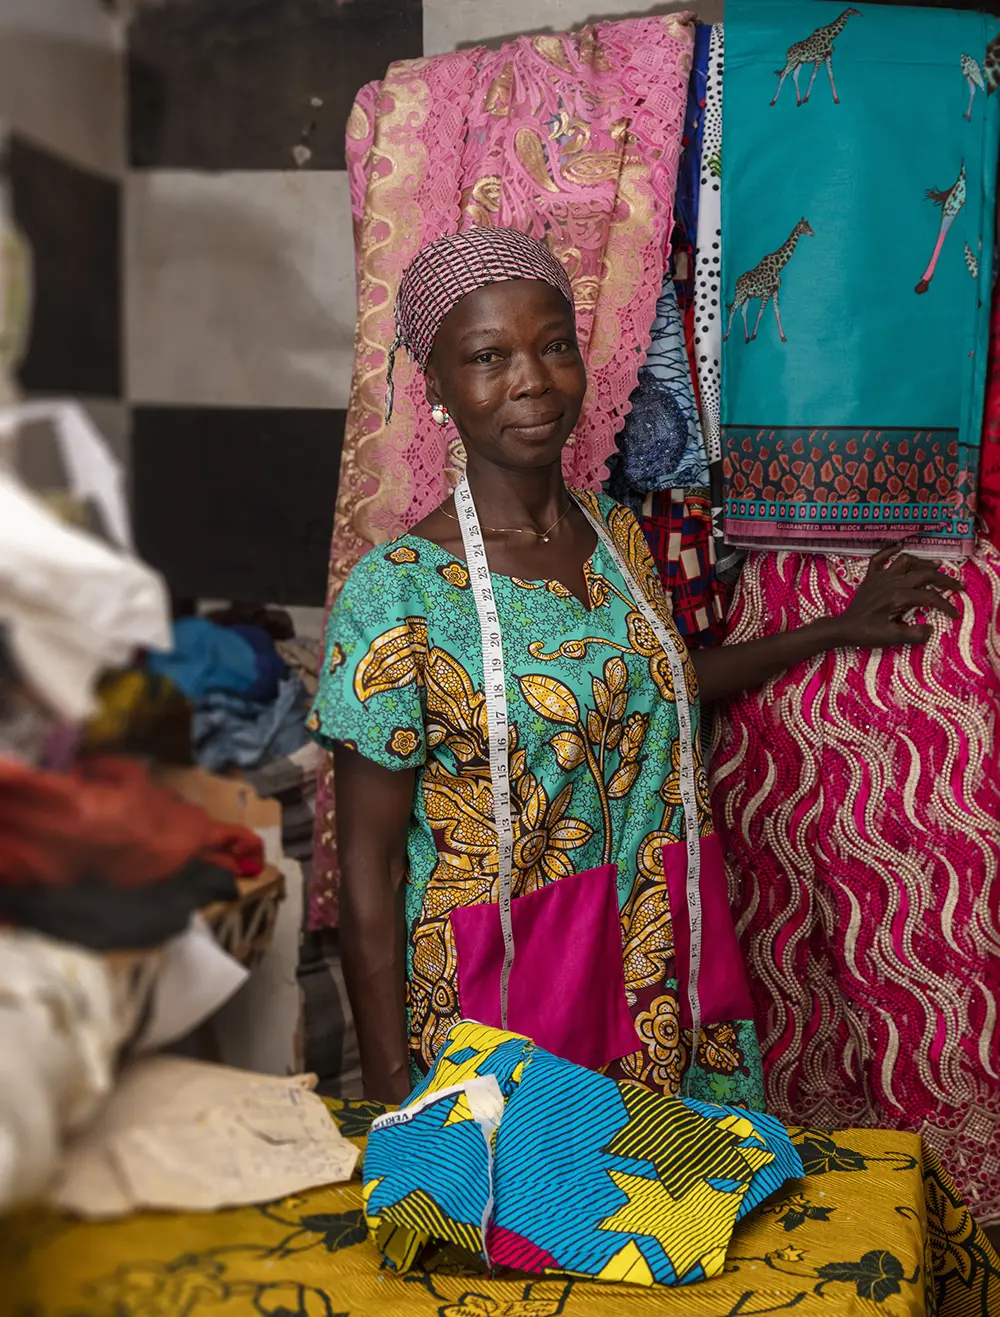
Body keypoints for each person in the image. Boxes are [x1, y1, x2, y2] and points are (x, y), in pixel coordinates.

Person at [307, 226, 958, 1106]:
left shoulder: (614, 537)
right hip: (499, 1010)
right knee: (531, 1227)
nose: (531, 380)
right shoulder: (396, 595)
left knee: (679, 1228)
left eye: (552, 347)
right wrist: (392, 1092)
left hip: (657, 975)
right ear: (437, 389)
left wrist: (830, 631)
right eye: (488, 357)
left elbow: (660, 685)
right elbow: (372, 871)